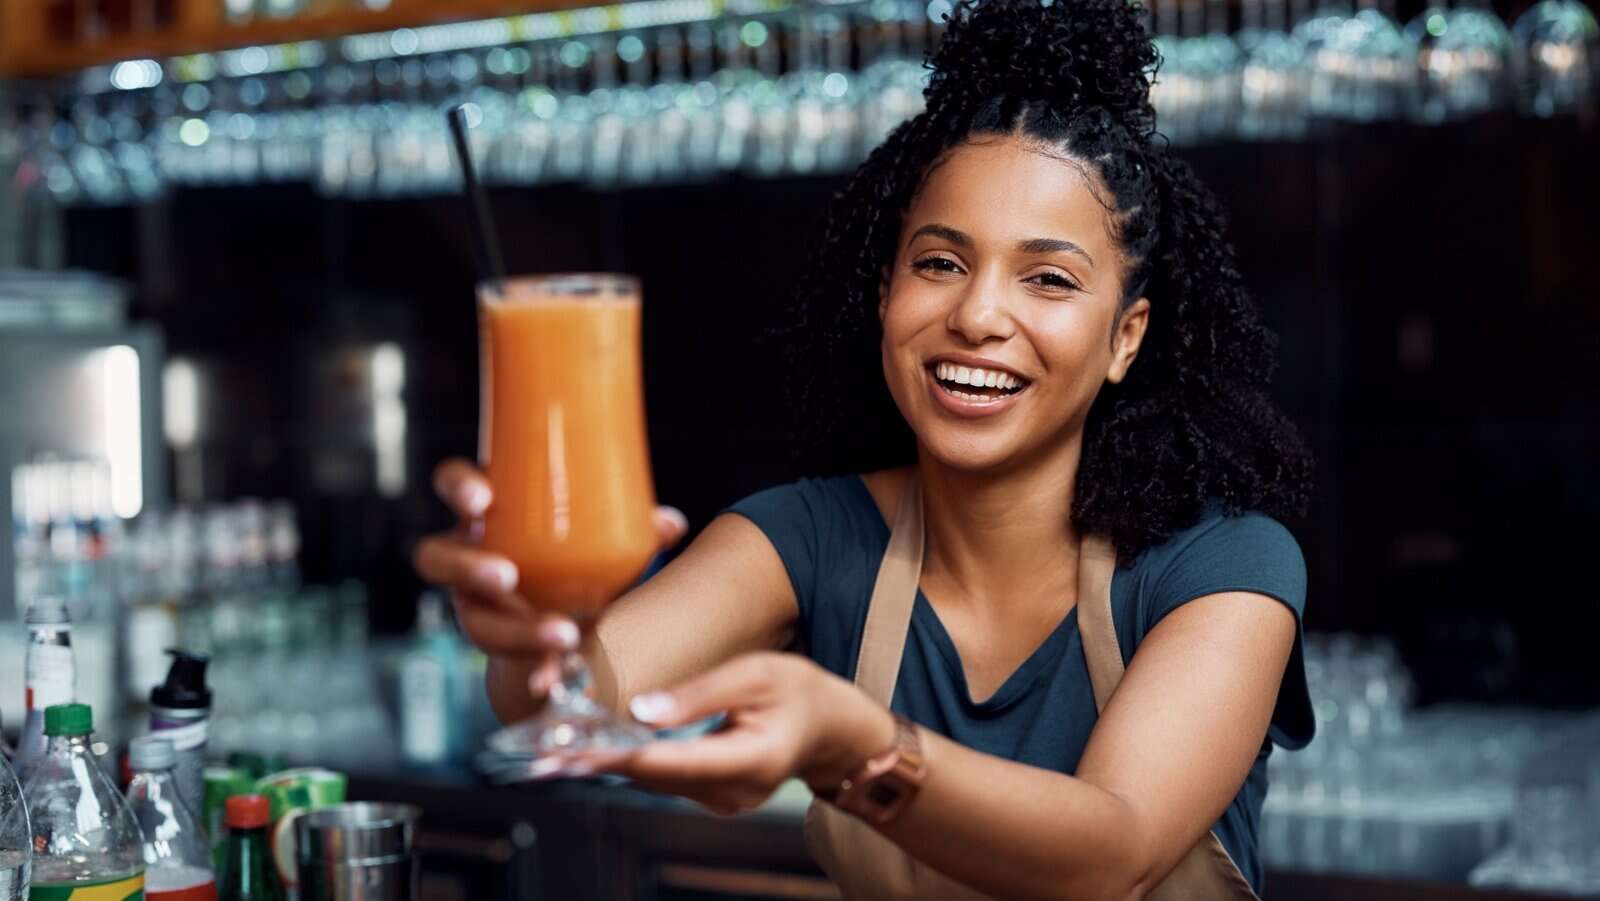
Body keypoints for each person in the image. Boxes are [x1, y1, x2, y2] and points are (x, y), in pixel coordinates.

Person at [416, 0, 1317, 896]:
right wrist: (530, 630)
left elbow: (1110, 852)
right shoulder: (811, 537)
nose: (977, 316)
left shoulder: (1223, 563)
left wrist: (861, 746)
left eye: (1047, 278)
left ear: (1126, 337)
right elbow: (585, 694)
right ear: (886, 289)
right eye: (939, 262)